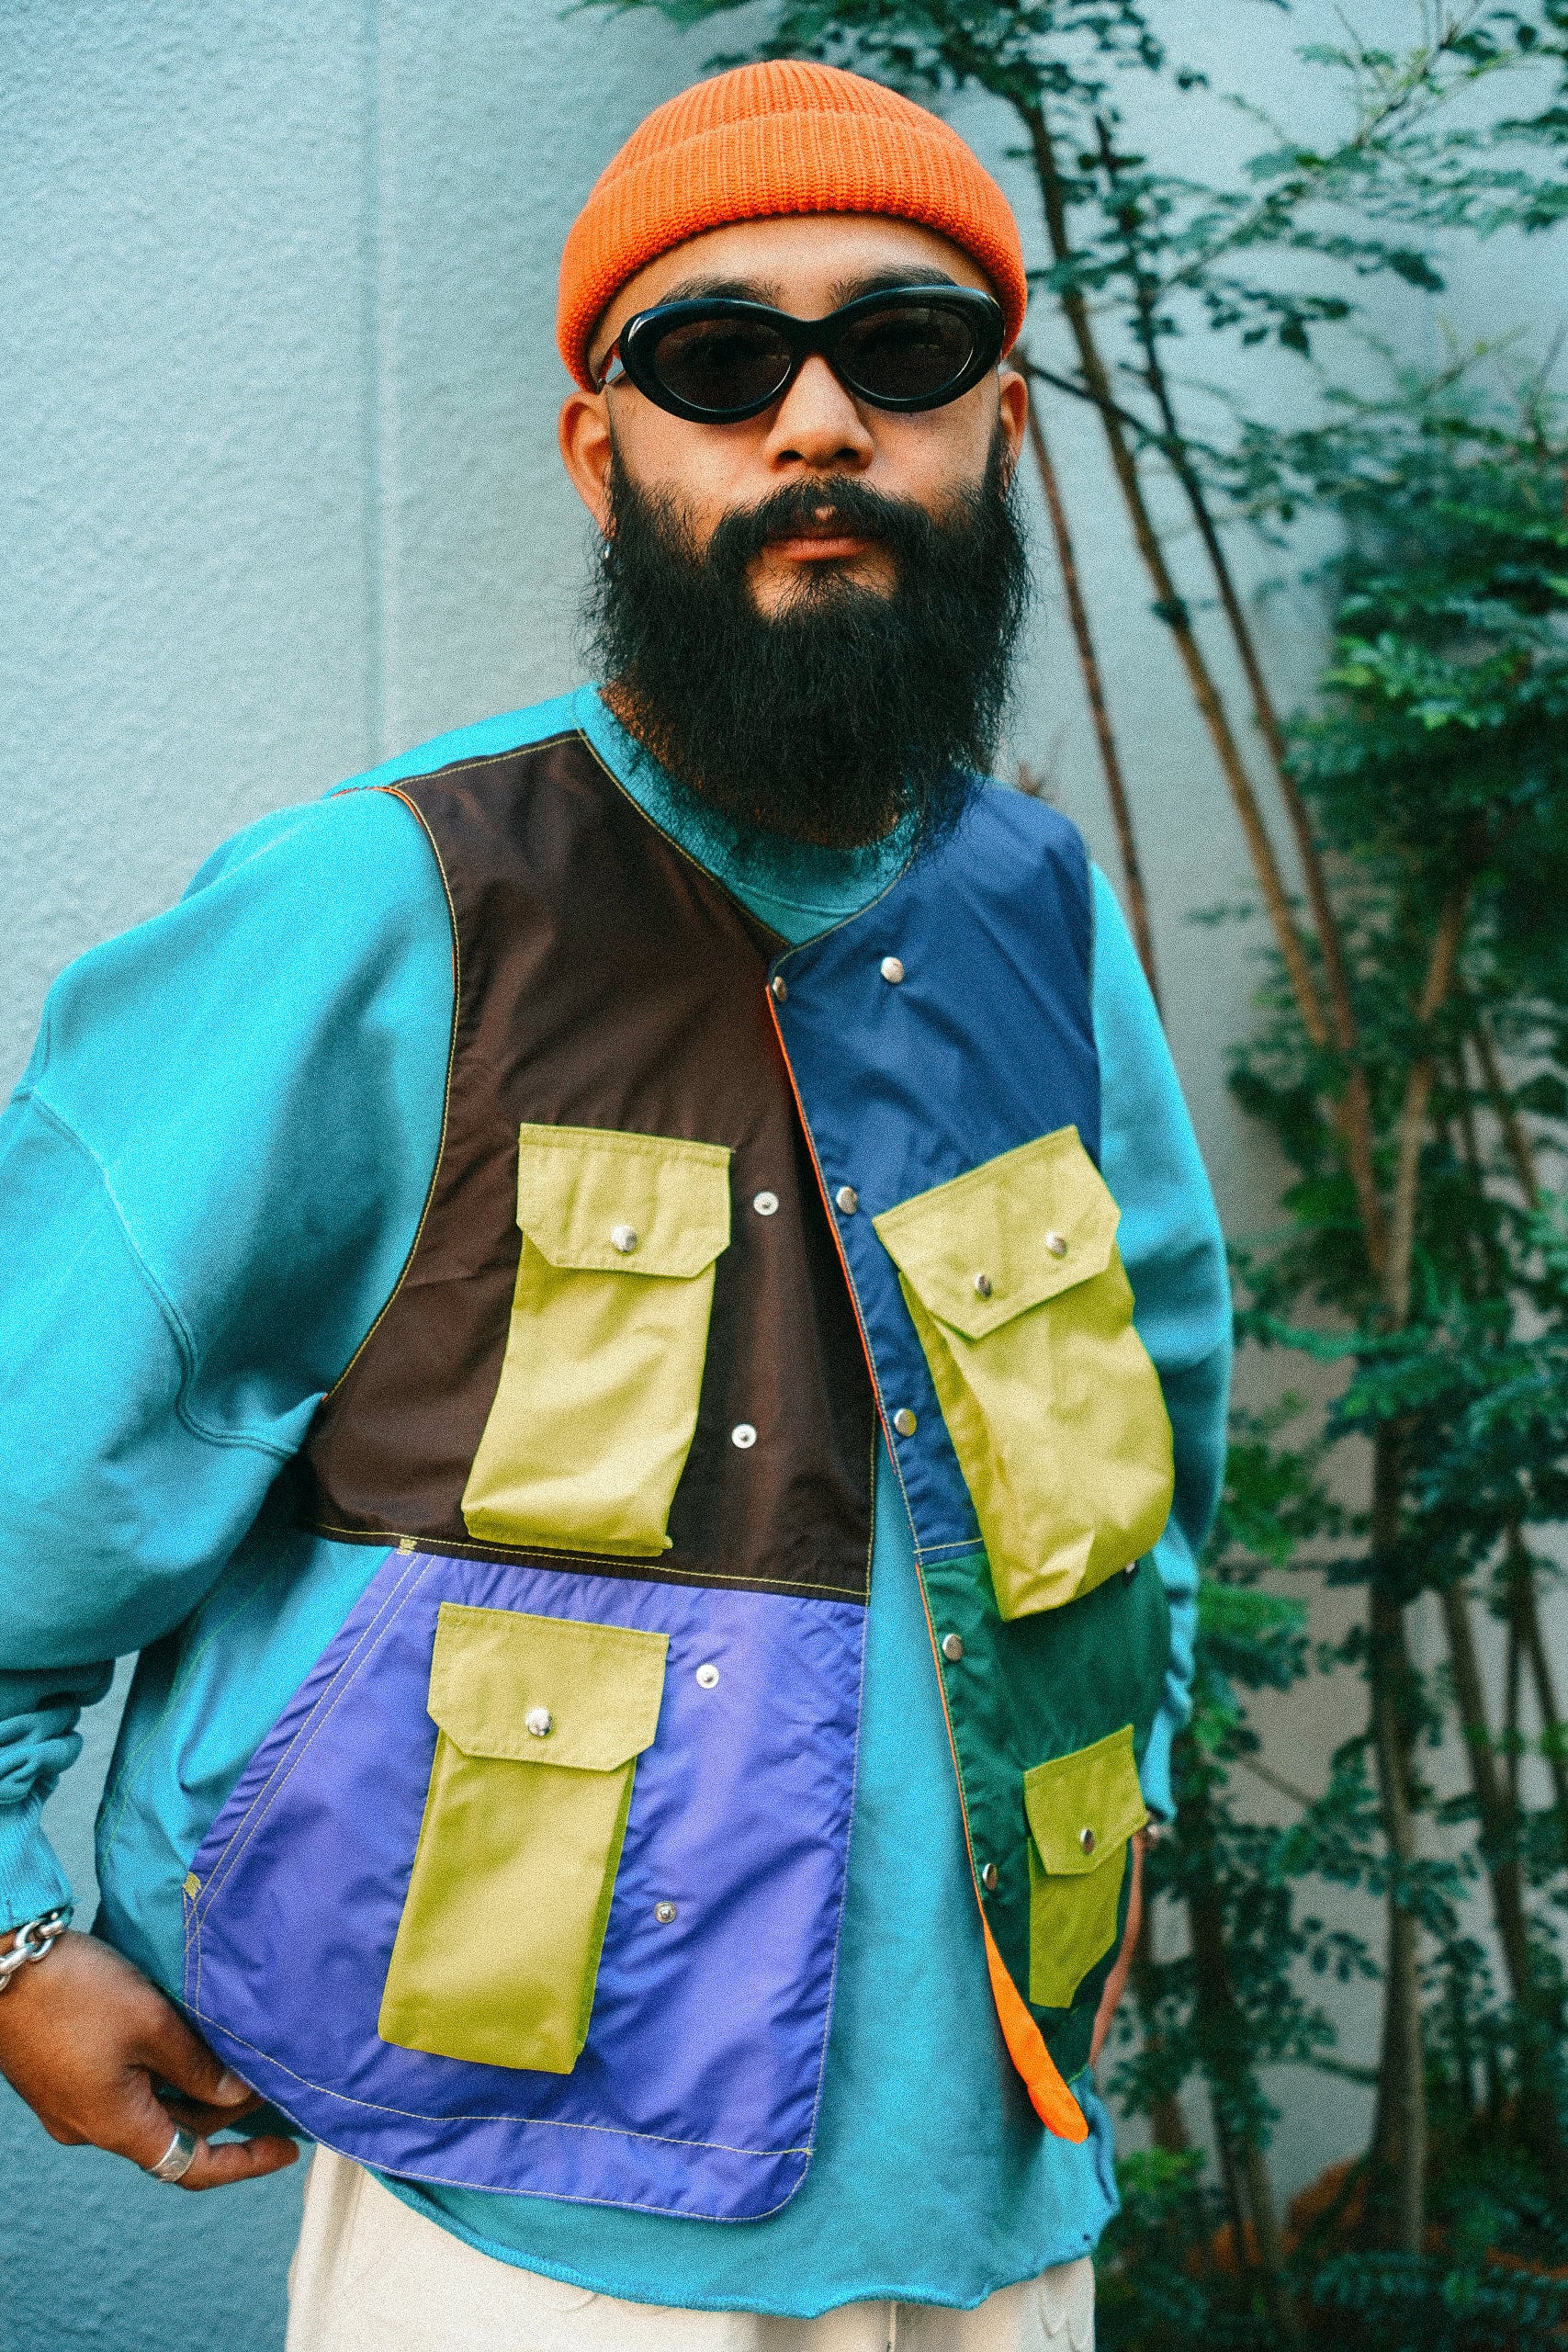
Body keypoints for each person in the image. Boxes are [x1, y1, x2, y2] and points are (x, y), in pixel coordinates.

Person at [0, 57, 1229, 2352]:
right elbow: (28, 1453)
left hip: (997, 2166)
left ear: (997, 425)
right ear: (603, 450)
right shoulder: (386, 902)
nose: (816, 423)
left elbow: (1152, 1423)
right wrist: (6, 1932)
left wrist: (1118, 1785)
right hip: (515, 2208)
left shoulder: (1043, 915)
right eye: (718, 359)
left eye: (901, 349)